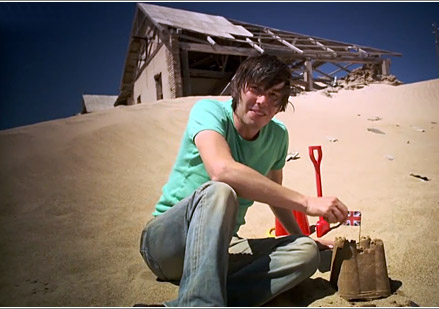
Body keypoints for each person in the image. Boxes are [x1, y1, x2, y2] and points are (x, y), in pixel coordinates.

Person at [139, 54, 349, 307]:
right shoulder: (209, 111)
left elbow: (276, 195)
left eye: (273, 95)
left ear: (281, 104)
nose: (262, 101)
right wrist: (306, 202)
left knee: (305, 252)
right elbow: (221, 170)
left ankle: (196, 299)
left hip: (222, 248)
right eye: (256, 89)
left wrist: (302, 236)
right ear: (239, 87)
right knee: (221, 191)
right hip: (166, 248)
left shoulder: (278, 136)